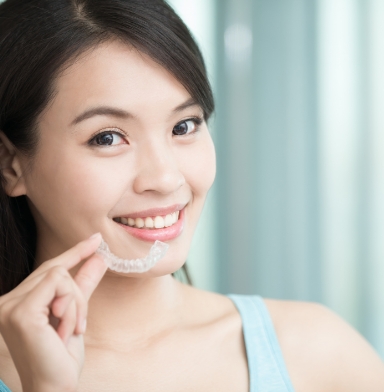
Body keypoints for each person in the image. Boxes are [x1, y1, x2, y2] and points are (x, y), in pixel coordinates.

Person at [0, 0, 383, 391]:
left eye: (184, 126)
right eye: (108, 137)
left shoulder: (319, 355)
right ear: (10, 165)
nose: (165, 178)